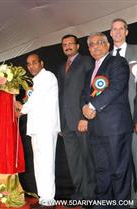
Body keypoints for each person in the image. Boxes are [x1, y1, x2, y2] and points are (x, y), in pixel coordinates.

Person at [82, 32, 132, 208]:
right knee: (102, 170)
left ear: (108, 45)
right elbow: (84, 96)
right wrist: (84, 108)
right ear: (88, 49)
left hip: (115, 127)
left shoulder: (118, 62)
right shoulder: (89, 72)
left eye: (100, 42)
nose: (95, 46)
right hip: (95, 128)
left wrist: (92, 106)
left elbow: (116, 87)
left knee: (119, 171)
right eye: (92, 44)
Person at [16, 54, 60, 209]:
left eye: (34, 63)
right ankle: (44, 199)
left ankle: (49, 201)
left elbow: (35, 100)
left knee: (46, 163)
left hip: (46, 127)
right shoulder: (36, 80)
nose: (31, 66)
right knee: (39, 164)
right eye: (28, 64)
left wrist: (21, 109)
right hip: (37, 128)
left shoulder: (48, 76)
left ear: (42, 63)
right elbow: (33, 100)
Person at [57, 34, 95, 202]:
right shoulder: (61, 67)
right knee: (74, 161)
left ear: (78, 46)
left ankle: (90, 195)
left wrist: (84, 117)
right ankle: (79, 193)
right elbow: (60, 95)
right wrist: (59, 122)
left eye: (71, 43)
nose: (67, 46)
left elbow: (90, 89)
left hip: (81, 119)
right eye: (64, 44)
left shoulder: (87, 61)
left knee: (87, 158)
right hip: (66, 122)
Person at [109, 18, 137, 205]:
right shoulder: (105, 57)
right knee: (120, 162)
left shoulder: (136, 51)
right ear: (110, 33)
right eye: (114, 29)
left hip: (134, 116)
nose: (118, 32)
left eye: (121, 29)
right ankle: (125, 199)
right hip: (114, 121)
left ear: (127, 32)